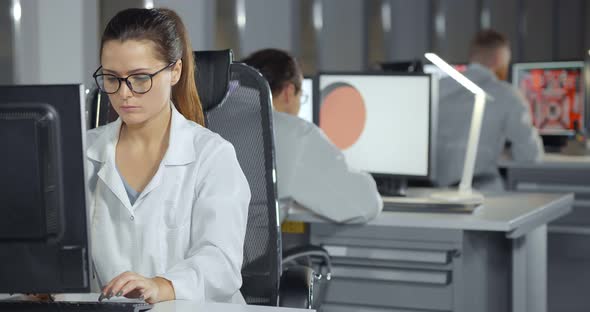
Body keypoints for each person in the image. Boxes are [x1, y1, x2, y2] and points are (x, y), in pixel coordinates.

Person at [86, 8, 250, 304]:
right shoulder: (83, 153)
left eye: (140, 78)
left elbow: (221, 261)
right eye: (112, 78)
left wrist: (163, 286)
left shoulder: (212, 156)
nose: (124, 93)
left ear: (175, 71)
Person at [242, 49, 382, 223]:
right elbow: (364, 205)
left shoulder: (215, 124)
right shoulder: (295, 134)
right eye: (302, 97)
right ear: (288, 92)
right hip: (253, 251)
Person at [435, 29, 544, 191]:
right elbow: (530, 155)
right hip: (481, 190)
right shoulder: (507, 95)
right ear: (499, 58)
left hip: (435, 192)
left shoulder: (438, 87)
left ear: (472, 55)